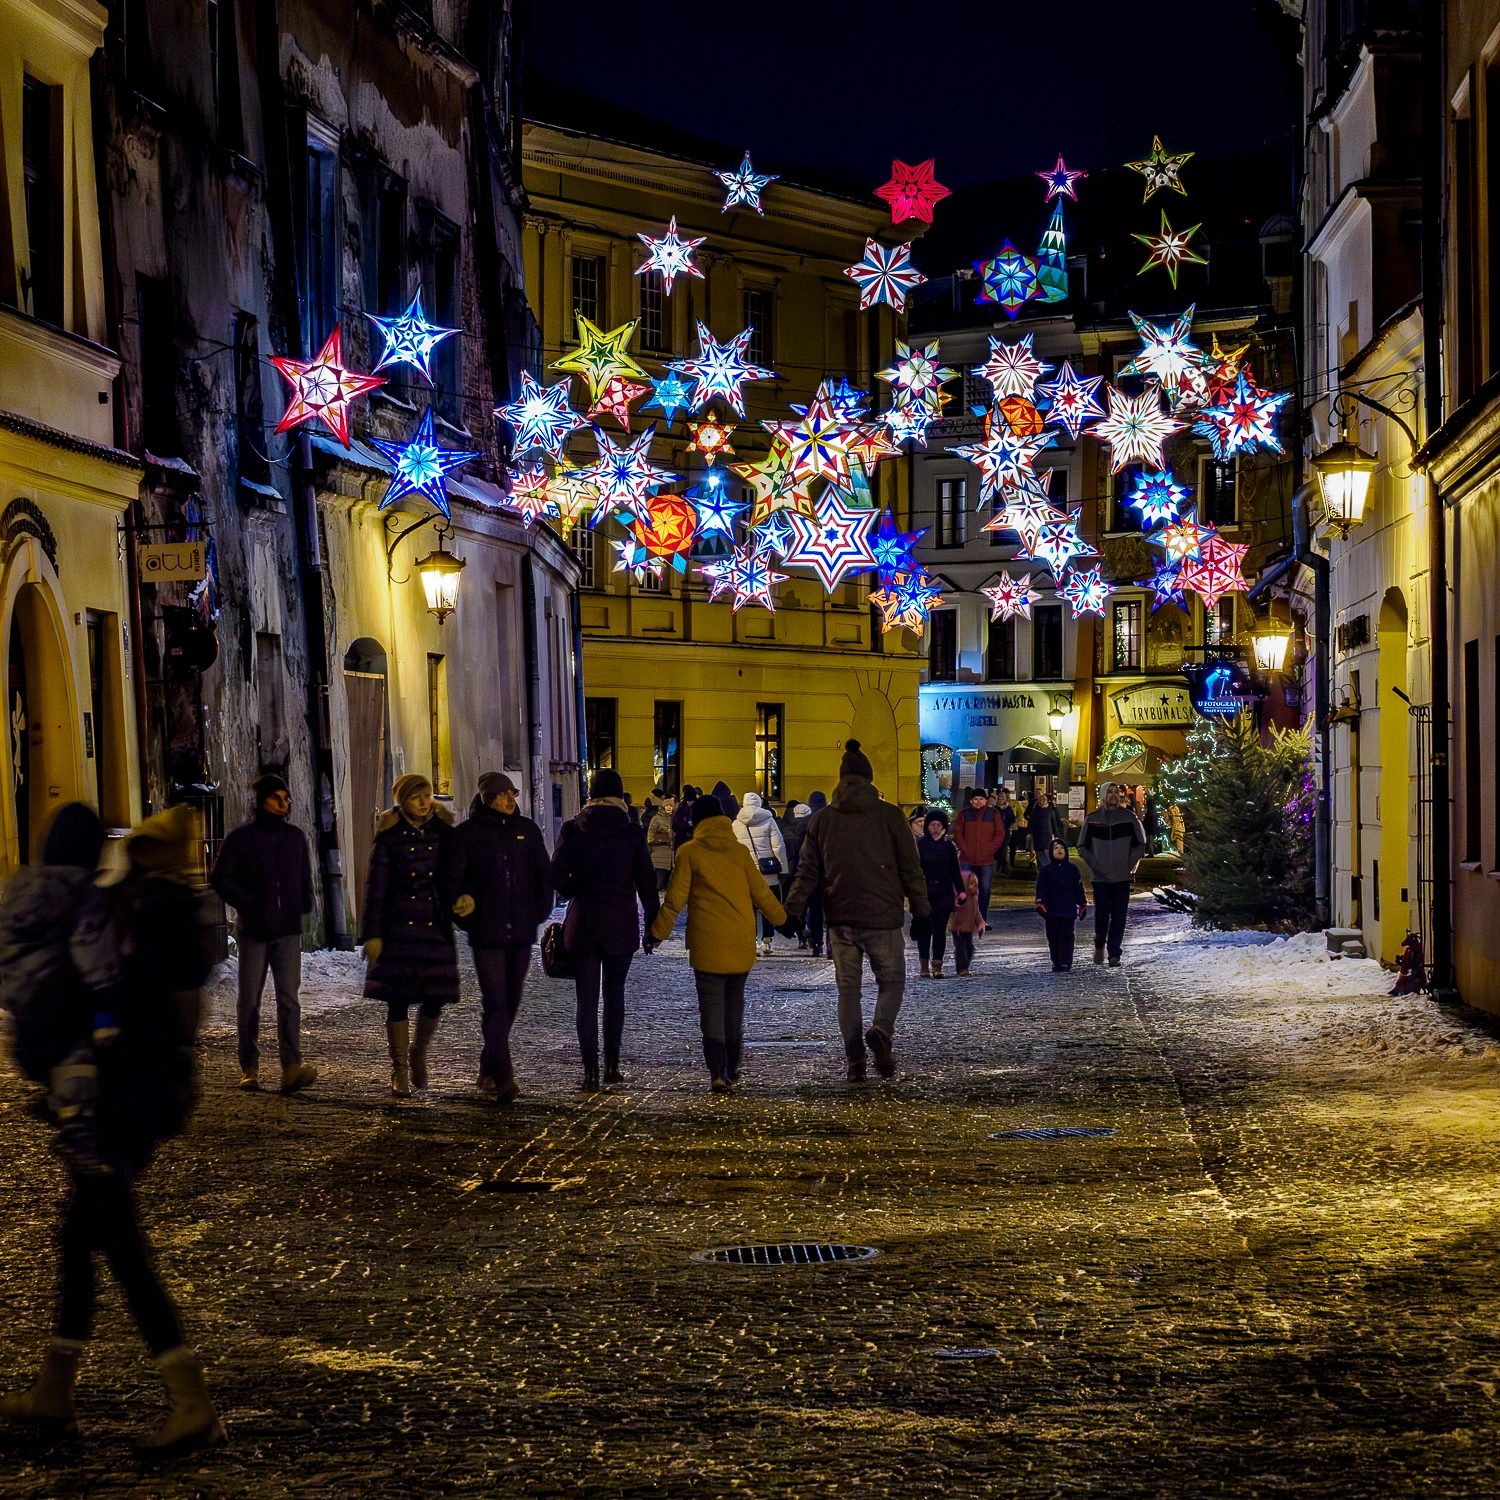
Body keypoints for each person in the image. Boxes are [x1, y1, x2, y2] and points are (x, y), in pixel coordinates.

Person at [2, 804, 226, 1457]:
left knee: (119, 1244)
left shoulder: (135, 913)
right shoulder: (128, 909)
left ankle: (191, 1402)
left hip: (111, 1102)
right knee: (80, 1237)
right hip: (119, 1097)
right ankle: (54, 1389)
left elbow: (114, 1008)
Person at [782, 740, 929, 1082]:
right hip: (883, 916)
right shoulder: (891, 816)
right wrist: (922, 911)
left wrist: (792, 910)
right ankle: (881, 1030)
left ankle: (854, 1063)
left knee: (848, 991)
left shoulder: (821, 821)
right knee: (891, 982)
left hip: (840, 917)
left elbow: (807, 872)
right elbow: (911, 868)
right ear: (869, 779)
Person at [647, 794, 786, 1091]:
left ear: (696, 821)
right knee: (734, 1006)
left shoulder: (689, 853)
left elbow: (674, 900)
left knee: (711, 1008)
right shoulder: (738, 853)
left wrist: (657, 934)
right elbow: (762, 894)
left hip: (706, 942)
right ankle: (733, 1063)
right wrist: (785, 921)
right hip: (739, 940)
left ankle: (717, 1071)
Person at [442, 772, 551, 1103]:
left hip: (520, 932)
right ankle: (503, 1076)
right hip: (487, 934)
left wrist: (537, 913)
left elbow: (543, 877)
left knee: (511, 1002)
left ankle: (487, 1066)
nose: (510, 800)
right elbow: (450, 885)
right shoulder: (467, 835)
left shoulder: (526, 831)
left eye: (512, 794)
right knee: (495, 1001)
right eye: (503, 795)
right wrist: (469, 919)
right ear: (488, 798)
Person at [551, 767, 659, 1091]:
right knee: (614, 995)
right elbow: (647, 885)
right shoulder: (633, 833)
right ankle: (612, 1066)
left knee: (586, 1000)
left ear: (590, 796)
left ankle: (589, 1074)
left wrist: (575, 891)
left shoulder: (572, 829)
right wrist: (652, 928)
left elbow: (556, 877)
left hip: (583, 922)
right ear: (620, 796)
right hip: (620, 922)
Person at [209, 771, 317, 1094]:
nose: (284, 804)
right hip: (254, 930)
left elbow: (303, 876)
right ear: (262, 800)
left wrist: (304, 902)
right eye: (277, 797)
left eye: (287, 798)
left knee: (289, 1000)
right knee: (249, 1001)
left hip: (287, 930)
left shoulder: (295, 837)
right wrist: (248, 902)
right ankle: (250, 1067)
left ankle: (291, 1067)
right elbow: (220, 878)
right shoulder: (242, 839)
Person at [361, 773, 458, 1098]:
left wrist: (463, 896)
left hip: (434, 926)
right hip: (398, 927)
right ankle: (399, 1069)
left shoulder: (444, 831)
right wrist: (372, 934)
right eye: (416, 796)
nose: (423, 801)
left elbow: (457, 872)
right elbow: (376, 888)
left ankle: (419, 1050)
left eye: (427, 795)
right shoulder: (390, 835)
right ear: (403, 800)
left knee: (435, 996)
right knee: (398, 998)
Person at [1077, 784, 1147, 967]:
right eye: (1110, 792)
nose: (1114, 795)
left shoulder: (1129, 818)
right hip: (1100, 878)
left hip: (1122, 877)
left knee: (1119, 916)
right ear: (1102, 795)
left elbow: (1141, 843)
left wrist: (1129, 864)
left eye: (1117, 792)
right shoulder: (1092, 820)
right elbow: (1082, 846)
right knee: (1101, 914)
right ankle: (1100, 943)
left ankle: (1114, 952)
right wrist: (1095, 864)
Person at [733, 792, 789, 956]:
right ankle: (767, 941)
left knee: (748, 909)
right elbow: (778, 846)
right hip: (767, 873)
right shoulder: (769, 820)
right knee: (767, 908)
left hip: (745, 874)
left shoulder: (736, 824)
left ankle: (750, 941)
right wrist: (783, 869)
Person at [913, 809, 966, 978]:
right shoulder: (919, 845)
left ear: (943, 827)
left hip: (943, 893)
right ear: (927, 826)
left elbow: (954, 870)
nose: (935, 828)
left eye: (939, 825)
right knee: (924, 931)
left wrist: (961, 890)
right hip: (923, 894)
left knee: (940, 930)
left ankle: (937, 964)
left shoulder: (948, 847)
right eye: (932, 825)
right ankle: (924, 964)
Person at [952, 787, 1004, 924]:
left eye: (981, 799)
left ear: (986, 800)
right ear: (971, 800)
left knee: (985, 890)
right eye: (975, 799)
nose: (978, 801)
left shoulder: (993, 814)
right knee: (966, 890)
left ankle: (982, 918)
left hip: (986, 860)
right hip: (967, 859)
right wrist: (965, 849)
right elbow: (958, 834)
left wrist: (990, 850)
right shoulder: (964, 814)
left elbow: (999, 834)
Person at [1035, 839, 1088, 971]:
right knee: (1053, 938)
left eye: (1062, 848)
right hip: (1051, 911)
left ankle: (1065, 962)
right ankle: (1056, 960)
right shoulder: (1046, 870)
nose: (1059, 850)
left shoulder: (1072, 869)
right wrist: (1040, 901)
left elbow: (1078, 888)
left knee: (1067, 937)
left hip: (1068, 910)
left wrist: (1082, 903)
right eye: (1056, 848)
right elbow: (1041, 887)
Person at [781, 804, 812, 946]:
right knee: (811, 905)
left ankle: (801, 936)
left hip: (790, 871)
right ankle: (811, 935)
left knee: (797, 904)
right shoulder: (811, 829)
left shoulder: (785, 829)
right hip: (808, 870)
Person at [949, 868, 986, 976]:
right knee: (960, 948)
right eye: (972, 885)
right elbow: (953, 913)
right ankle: (962, 968)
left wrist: (980, 924)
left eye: (976, 885)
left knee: (969, 947)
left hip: (968, 929)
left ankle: (963, 967)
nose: (975, 887)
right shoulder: (958, 899)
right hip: (959, 928)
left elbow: (977, 913)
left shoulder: (974, 899)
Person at [647, 795, 677, 893]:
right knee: (660, 873)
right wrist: (650, 843)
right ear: (663, 806)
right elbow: (651, 831)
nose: (669, 807)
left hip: (670, 850)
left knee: (668, 873)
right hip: (659, 849)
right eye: (667, 805)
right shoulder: (656, 818)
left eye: (671, 806)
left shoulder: (674, 818)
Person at [1027, 788, 1060, 864]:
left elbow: (1053, 823)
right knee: (1039, 853)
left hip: (1047, 834)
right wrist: (1029, 832)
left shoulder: (1050, 810)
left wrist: (1056, 835)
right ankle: (1042, 870)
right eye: (1041, 801)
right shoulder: (1035, 810)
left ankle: (1047, 869)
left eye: (1044, 801)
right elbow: (1031, 822)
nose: (1042, 802)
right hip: (1037, 835)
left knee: (1047, 852)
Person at [993, 787, 1018, 876]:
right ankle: (1000, 866)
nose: (1000, 801)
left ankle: (1005, 867)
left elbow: (1012, 819)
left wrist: (1007, 825)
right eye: (999, 799)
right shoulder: (995, 809)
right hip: (996, 831)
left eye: (1001, 799)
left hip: (1005, 830)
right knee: (998, 849)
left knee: (1003, 848)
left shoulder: (1008, 809)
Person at [671, 786, 699, 851]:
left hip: (683, 843)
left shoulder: (681, 809)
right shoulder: (682, 809)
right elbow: (675, 826)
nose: (688, 802)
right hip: (685, 842)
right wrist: (687, 824)